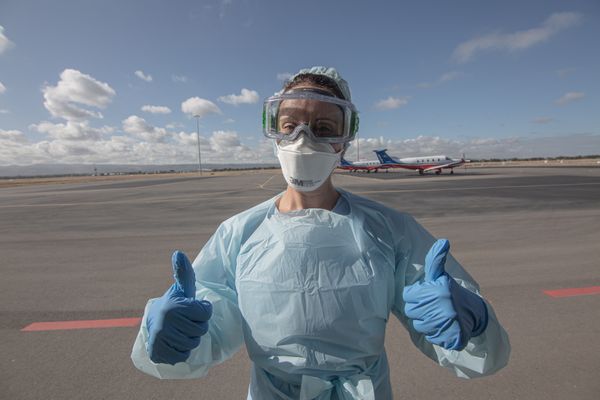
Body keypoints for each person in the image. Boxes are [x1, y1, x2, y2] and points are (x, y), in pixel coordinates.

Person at [131, 66, 510, 399]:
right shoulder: (239, 233)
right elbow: (210, 333)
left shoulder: (390, 230)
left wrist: (474, 325)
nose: (304, 138)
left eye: (324, 128)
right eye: (289, 125)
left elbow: (468, 349)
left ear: (344, 140)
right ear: (274, 134)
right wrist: (172, 337)